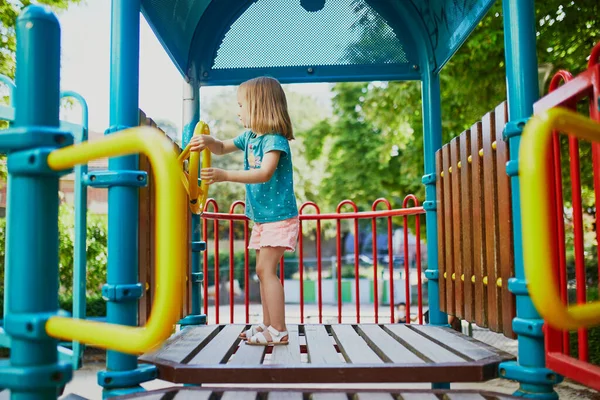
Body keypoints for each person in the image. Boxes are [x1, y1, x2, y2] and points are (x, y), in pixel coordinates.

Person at [190, 76, 297, 346]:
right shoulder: (250, 137)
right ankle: (268, 324)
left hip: (279, 217)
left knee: (265, 270)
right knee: (261, 271)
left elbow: (264, 173)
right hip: (262, 218)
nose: (238, 111)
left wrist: (225, 175)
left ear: (259, 107)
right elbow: (223, 147)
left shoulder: (274, 140)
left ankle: (279, 330)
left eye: (241, 105)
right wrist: (207, 141)